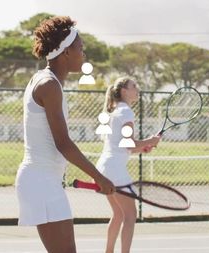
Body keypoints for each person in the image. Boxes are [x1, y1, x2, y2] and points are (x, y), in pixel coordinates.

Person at [15, 16, 115, 253]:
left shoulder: (47, 81)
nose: (84, 52)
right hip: (40, 181)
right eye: (80, 48)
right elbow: (64, 144)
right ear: (66, 52)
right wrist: (98, 177)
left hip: (44, 180)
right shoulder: (48, 85)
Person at [96, 77, 161, 253]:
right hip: (114, 170)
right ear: (124, 91)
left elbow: (124, 146)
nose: (137, 89)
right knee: (130, 216)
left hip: (104, 168)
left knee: (118, 214)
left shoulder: (117, 110)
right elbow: (128, 143)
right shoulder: (126, 112)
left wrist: (143, 148)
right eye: (134, 86)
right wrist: (151, 140)